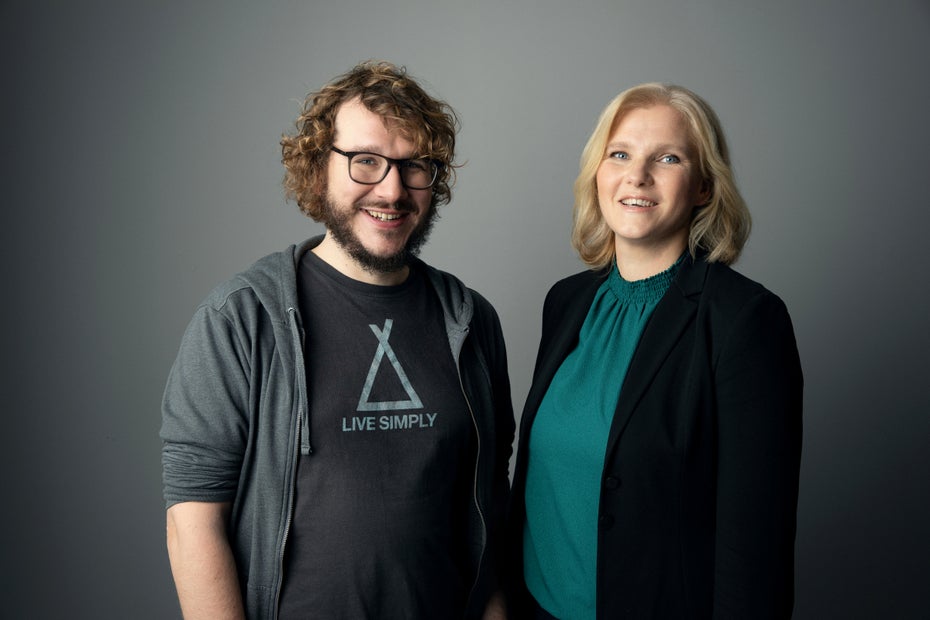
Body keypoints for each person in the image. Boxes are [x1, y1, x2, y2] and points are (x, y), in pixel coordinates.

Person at [161, 61, 514, 620]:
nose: (392, 190)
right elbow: (192, 524)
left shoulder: (469, 319)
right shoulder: (241, 318)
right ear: (317, 167)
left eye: (413, 165)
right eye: (366, 161)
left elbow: (491, 504)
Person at [506, 83, 803, 619]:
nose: (636, 175)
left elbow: (755, 545)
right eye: (619, 154)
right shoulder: (567, 301)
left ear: (705, 187)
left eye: (667, 158)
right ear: (598, 172)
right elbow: (538, 486)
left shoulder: (745, 321)